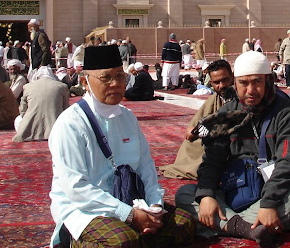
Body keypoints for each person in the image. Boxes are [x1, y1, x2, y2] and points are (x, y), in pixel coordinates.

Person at [48, 45, 195, 248]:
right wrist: (128, 215)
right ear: (85, 81)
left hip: (132, 200)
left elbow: (145, 165)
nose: (116, 84)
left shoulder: (127, 117)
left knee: (185, 223)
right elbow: (76, 188)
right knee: (124, 242)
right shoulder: (71, 124)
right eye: (106, 78)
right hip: (86, 209)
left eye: (120, 76)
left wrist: (154, 204)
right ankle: (73, 241)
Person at [176, 51, 290, 247]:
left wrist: (269, 203)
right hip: (236, 190)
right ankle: (251, 229)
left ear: (268, 81)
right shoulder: (226, 114)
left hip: (275, 192)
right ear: (236, 84)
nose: (251, 90)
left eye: (257, 82)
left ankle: (229, 223)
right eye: (244, 83)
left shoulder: (286, 114)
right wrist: (206, 195)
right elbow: (213, 160)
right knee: (186, 194)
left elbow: (288, 163)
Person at [159, 59, 236, 180]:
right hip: (213, 134)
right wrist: (195, 131)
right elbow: (198, 123)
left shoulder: (239, 94)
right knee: (190, 144)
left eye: (225, 80)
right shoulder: (215, 99)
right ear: (211, 83)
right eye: (217, 82)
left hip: (234, 138)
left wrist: (198, 132)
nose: (221, 85)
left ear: (232, 77)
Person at [13, 71, 69, 142]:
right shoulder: (62, 86)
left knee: (18, 119)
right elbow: (66, 108)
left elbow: (22, 110)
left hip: (31, 127)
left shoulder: (27, 87)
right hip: (55, 127)